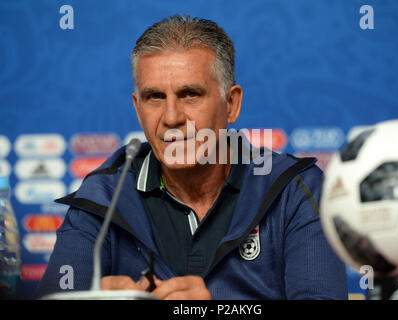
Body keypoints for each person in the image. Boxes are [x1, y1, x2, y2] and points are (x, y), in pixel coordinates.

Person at [35, 15, 348, 300]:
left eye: (190, 94)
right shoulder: (105, 195)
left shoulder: (293, 190)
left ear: (231, 104)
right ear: (138, 109)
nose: (171, 117)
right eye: (155, 97)